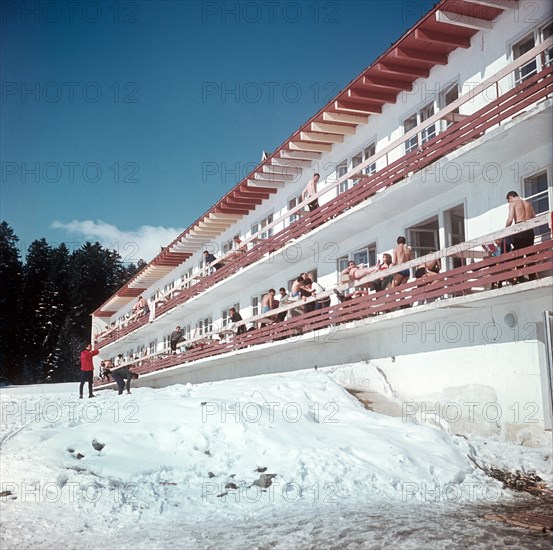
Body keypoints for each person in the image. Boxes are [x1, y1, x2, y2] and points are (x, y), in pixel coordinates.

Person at [505, 190, 537, 282]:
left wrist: (505, 229)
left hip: (519, 229)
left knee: (519, 253)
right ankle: (532, 276)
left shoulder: (513, 204)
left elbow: (510, 220)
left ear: (510, 197)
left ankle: (520, 277)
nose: (509, 202)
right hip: (530, 230)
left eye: (508, 200)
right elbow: (534, 218)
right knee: (530, 253)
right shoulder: (528, 204)